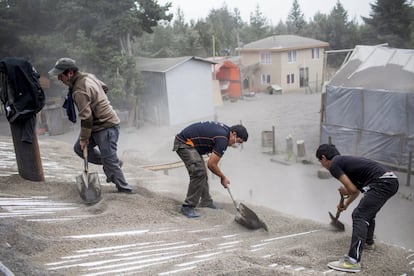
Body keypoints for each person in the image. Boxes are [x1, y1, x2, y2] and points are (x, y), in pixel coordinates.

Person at [48, 57, 133, 193]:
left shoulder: (79, 90)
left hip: (106, 126)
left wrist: (83, 138)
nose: (59, 78)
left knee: (109, 159)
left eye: (60, 75)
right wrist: (95, 99)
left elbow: (86, 117)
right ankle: (113, 163)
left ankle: (124, 189)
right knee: (80, 149)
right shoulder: (89, 76)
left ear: (70, 73)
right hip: (96, 125)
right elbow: (104, 87)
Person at [316, 144, 399, 273]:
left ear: (324, 158)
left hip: (382, 182)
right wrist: (345, 204)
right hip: (390, 181)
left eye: (321, 162)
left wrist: (345, 191)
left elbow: (351, 189)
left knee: (359, 215)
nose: (322, 165)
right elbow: (355, 191)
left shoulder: (334, 165)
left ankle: (352, 261)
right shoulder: (345, 163)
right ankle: (368, 242)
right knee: (367, 213)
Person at [173, 121, 248, 218]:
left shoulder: (224, 131)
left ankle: (206, 201)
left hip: (192, 145)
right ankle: (188, 206)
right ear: (234, 134)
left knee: (202, 172)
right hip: (184, 143)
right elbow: (211, 164)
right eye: (238, 141)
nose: (236, 144)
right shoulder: (223, 139)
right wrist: (223, 177)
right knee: (199, 172)